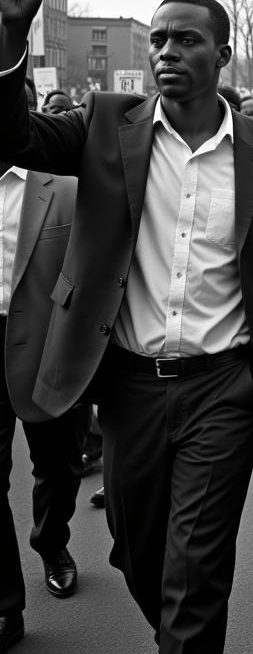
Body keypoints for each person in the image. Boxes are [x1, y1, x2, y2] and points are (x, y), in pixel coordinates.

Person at [0, 0, 253, 654]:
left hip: (223, 385)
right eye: (158, 37)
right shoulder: (107, 126)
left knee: (195, 570)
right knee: (139, 552)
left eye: (186, 39)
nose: (166, 50)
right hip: (127, 387)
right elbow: (10, 138)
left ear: (222, 57)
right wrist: (13, 32)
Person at [1, 164, 80, 651]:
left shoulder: (61, 186)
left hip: (45, 342)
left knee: (59, 461)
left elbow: (87, 264)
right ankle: (5, 603)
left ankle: (51, 542)